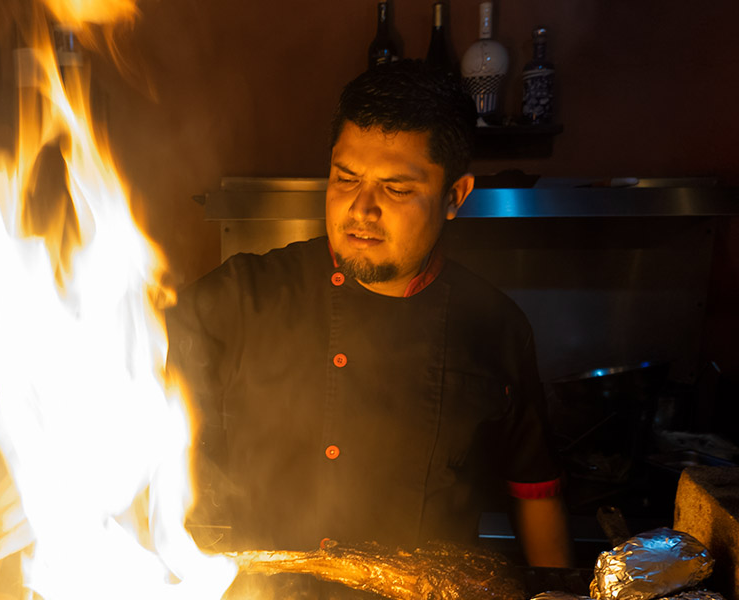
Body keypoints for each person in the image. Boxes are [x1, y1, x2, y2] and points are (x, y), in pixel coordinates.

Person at [166, 61, 571, 567]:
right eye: (345, 178)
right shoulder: (245, 294)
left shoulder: (496, 328)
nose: (361, 209)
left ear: (455, 196)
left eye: (396, 189)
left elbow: (535, 495)